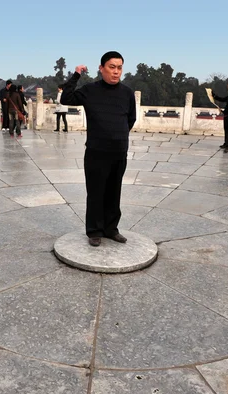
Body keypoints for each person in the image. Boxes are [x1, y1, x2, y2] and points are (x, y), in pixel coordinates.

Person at [61, 51, 136, 247]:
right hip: (96, 151)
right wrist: (76, 75)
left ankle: (111, 229)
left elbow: (131, 119)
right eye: (112, 67)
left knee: (114, 191)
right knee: (96, 192)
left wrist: (117, 136)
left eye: (119, 68)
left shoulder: (127, 93)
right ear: (101, 68)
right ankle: (94, 230)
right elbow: (66, 98)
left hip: (119, 151)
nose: (116, 72)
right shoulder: (90, 90)